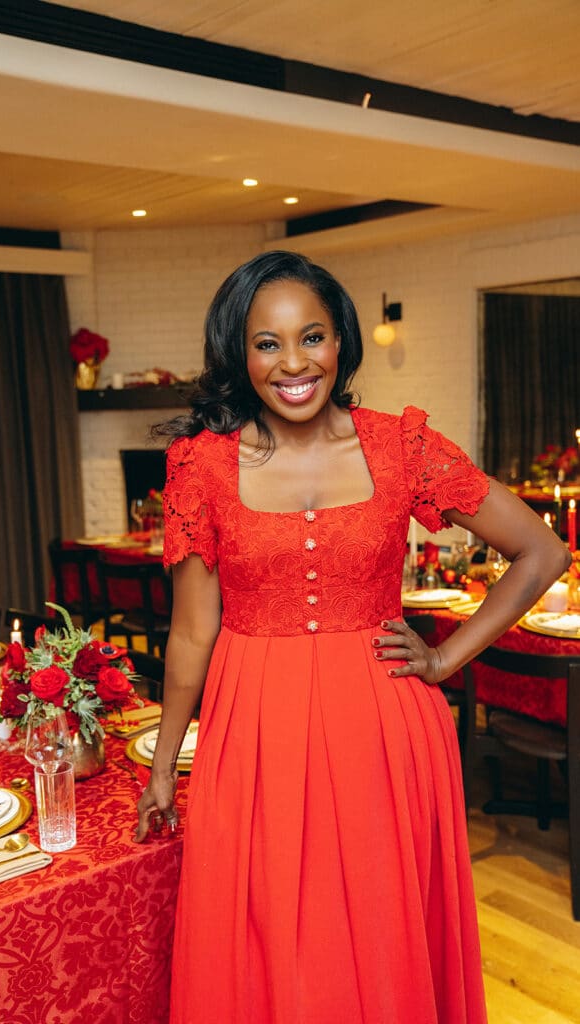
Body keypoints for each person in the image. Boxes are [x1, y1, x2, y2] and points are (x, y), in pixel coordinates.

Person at [134, 251, 570, 1023]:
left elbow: (541, 551)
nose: (293, 363)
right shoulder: (200, 466)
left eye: (312, 336)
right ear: (239, 352)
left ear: (340, 341)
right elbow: (193, 631)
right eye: (267, 343)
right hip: (254, 731)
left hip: (381, 730)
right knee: (269, 938)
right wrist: (164, 766)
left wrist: (446, 656)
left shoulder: (402, 447)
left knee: (377, 931)